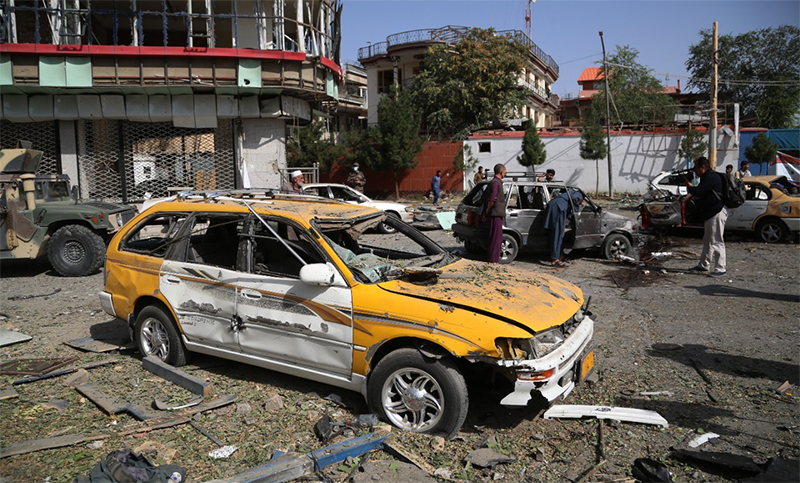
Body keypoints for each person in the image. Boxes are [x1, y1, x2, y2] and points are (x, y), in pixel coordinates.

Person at [683, 156, 727, 278]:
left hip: (716, 212)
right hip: (711, 213)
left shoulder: (711, 177)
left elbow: (698, 192)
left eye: (696, 167)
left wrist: (689, 186)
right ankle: (704, 264)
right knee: (708, 240)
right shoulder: (707, 176)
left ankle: (721, 267)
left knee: (717, 240)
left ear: (703, 167)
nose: (694, 171)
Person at [543, 190, 583, 267]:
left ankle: (559, 255)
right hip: (559, 208)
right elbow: (575, 198)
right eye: (581, 202)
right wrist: (576, 209)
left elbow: (569, 213)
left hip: (554, 206)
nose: (580, 202)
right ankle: (555, 259)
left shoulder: (567, 194)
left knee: (555, 233)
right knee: (558, 234)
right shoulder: (578, 194)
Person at [481, 164, 506, 263]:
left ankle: (493, 260)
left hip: (495, 214)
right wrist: (487, 212)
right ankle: (493, 261)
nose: (505, 173)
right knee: (495, 239)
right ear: (501, 172)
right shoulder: (496, 183)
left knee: (496, 238)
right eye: (505, 171)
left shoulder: (495, 182)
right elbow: (492, 199)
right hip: (494, 214)